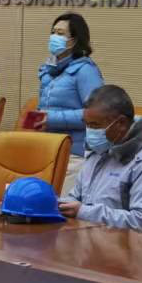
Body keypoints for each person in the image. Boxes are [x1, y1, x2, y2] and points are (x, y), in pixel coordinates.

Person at [57, 85, 142, 237]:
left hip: (138, 248)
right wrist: (60, 205)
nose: (89, 131)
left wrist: (83, 212)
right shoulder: (99, 151)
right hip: (93, 242)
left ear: (121, 123)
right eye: (87, 124)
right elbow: (76, 198)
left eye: (95, 125)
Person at [32, 12, 104, 181]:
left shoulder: (86, 70)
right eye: (53, 32)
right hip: (48, 148)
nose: (54, 37)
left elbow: (96, 114)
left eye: (60, 33)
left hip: (74, 154)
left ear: (74, 40)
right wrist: (36, 118)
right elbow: (47, 107)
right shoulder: (49, 70)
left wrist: (50, 118)